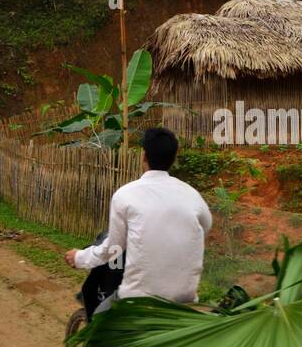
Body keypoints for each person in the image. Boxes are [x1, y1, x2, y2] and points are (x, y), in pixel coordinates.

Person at [64, 127, 212, 311]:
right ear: (174, 158)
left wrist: (79, 257)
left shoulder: (125, 195)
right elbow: (205, 227)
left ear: (144, 156)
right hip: (185, 299)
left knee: (99, 319)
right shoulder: (193, 195)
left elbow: (114, 249)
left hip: (138, 300)